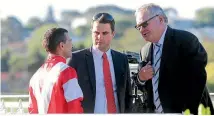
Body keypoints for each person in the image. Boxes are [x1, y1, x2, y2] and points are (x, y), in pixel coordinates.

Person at [134, 3, 214, 114]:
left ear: (161, 19)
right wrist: (141, 78)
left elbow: (197, 79)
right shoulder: (145, 50)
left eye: (144, 24)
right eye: (138, 27)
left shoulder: (186, 40)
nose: (141, 30)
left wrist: (185, 112)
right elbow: (144, 88)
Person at [67, 13, 132, 113]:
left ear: (113, 34)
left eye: (104, 33)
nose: (99, 37)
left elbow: (127, 96)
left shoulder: (121, 59)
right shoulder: (76, 59)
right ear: (91, 32)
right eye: (96, 32)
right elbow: (67, 96)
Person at [28, 28, 83, 114]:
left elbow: (32, 111)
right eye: (70, 41)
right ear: (62, 45)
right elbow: (74, 106)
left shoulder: (35, 77)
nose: (72, 45)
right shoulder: (67, 71)